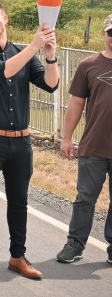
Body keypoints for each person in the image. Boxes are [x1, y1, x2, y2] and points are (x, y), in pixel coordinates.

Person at [0, 0, 58, 282]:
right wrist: (34, 46)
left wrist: (50, 55)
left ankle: (18, 256)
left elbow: (51, 85)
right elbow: (3, 70)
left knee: (19, 201)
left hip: (20, 143)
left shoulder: (24, 54)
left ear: (5, 18)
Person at [56, 14, 112, 264]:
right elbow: (76, 103)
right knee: (85, 199)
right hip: (93, 147)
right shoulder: (88, 65)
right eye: (111, 32)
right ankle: (75, 244)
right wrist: (66, 138)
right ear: (104, 34)